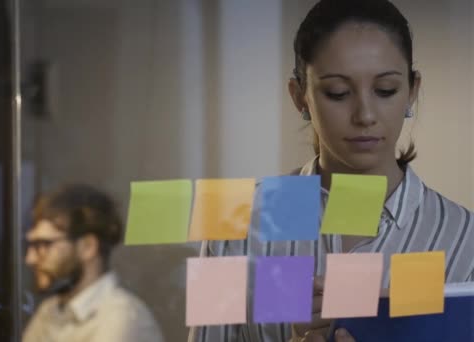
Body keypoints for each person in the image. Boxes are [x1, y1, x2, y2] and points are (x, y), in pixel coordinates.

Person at [197, 0, 474, 341]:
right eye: (337, 93)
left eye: (385, 90)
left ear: (412, 92)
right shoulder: (234, 222)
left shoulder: (466, 242)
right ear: (300, 97)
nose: (365, 115)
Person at [22, 184, 164, 342]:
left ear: (88, 247)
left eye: (44, 245)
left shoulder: (121, 317)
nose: (30, 258)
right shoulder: (49, 311)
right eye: (32, 245)